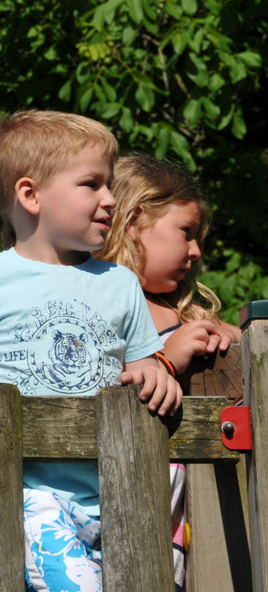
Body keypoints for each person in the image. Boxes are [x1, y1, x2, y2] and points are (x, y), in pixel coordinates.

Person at [0, 110, 182, 592]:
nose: (110, 198)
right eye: (92, 184)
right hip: (24, 496)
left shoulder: (121, 283)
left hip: (121, 492)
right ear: (30, 195)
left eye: (109, 184)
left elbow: (143, 368)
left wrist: (157, 377)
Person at [96, 153, 241, 590]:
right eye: (186, 232)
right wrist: (165, 356)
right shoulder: (96, 300)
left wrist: (232, 342)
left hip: (183, 515)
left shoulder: (185, 312)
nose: (196, 251)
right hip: (113, 503)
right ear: (134, 221)